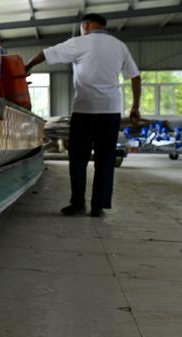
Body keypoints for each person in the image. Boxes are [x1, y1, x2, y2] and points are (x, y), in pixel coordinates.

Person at [23, 14, 141, 217]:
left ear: (85, 25)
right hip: (111, 110)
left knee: (78, 158)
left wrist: (26, 68)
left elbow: (45, 53)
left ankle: (77, 203)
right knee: (105, 159)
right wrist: (135, 107)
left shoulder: (79, 42)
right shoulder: (119, 45)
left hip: (85, 110)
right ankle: (98, 206)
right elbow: (135, 77)